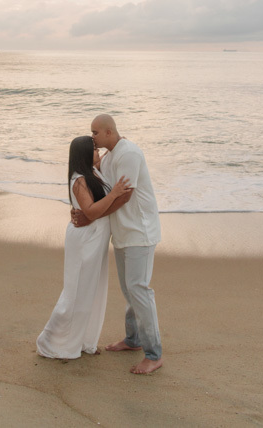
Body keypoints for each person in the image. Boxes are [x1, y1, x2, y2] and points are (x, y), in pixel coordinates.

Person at [72, 114, 163, 374]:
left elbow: (124, 197)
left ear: (109, 132)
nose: (92, 138)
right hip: (122, 232)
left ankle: (154, 355)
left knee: (139, 289)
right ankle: (133, 340)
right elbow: (96, 182)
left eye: (95, 133)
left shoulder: (129, 153)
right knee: (129, 289)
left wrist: (90, 217)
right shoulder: (110, 157)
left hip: (140, 232)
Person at [36, 135, 131, 359]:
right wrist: (115, 193)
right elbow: (91, 211)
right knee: (77, 290)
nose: (98, 152)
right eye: (95, 149)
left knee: (92, 290)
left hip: (95, 238)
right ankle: (52, 342)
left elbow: (106, 155)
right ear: (85, 154)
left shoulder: (93, 171)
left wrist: (119, 143)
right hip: (85, 240)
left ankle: (82, 340)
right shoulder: (79, 180)